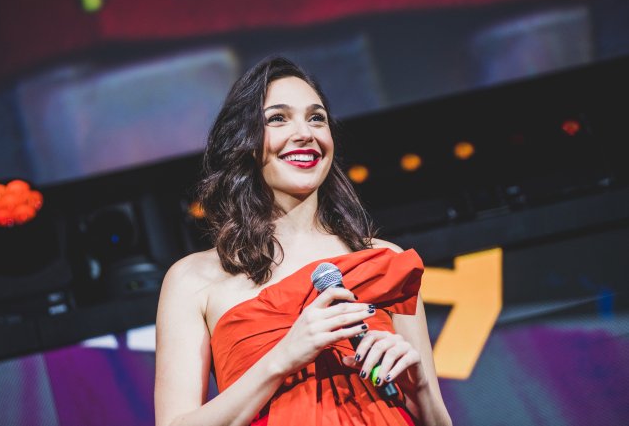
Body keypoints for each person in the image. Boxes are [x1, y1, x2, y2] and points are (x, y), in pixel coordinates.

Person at [154, 56, 452, 426]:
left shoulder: (383, 262)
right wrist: (285, 357)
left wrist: (419, 386)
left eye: (317, 118)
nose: (305, 133)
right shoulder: (194, 280)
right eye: (278, 118)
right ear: (244, 143)